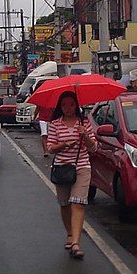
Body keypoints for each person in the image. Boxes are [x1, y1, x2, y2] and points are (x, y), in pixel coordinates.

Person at [46, 91, 97, 260]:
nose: (68, 108)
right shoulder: (55, 124)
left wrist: (85, 135)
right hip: (62, 168)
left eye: (71, 104)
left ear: (77, 105)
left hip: (82, 166)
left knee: (78, 204)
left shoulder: (84, 123)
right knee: (65, 204)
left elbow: (93, 148)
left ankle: (76, 242)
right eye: (64, 105)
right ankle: (70, 234)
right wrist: (63, 145)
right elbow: (50, 148)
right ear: (60, 107)